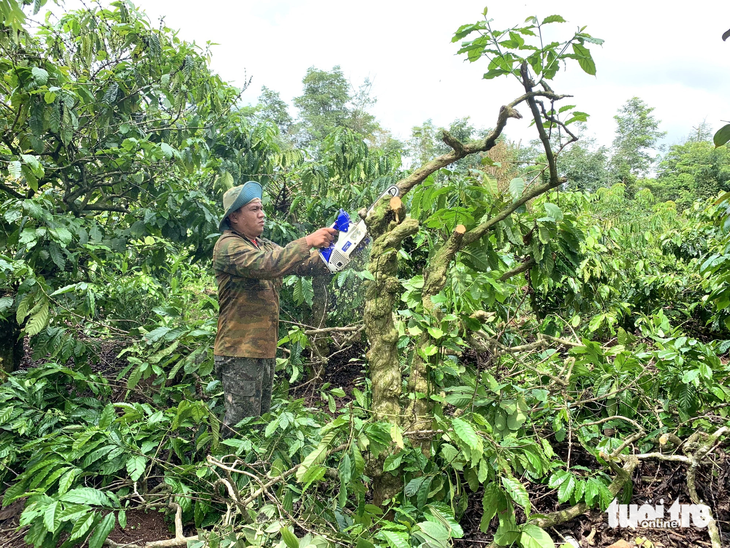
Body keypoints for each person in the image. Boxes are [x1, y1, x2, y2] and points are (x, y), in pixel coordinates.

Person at [212, 181, 337, 432]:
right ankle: (229, 469)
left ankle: (254, 470)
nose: (262, 214)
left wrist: (341, 247)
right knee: (241, 427)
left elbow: (304, 265)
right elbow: (268, 265)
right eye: (255, 209)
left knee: (260, 423)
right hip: (239, 350)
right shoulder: (228, 246)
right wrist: (308, 240)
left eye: (261, 208)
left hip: (263, 349)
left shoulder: (264, 244)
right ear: (234, 217)